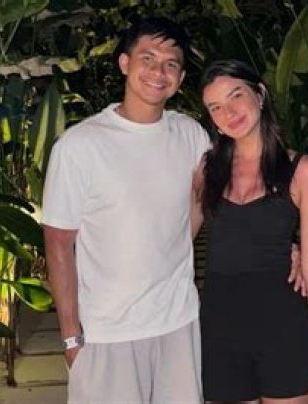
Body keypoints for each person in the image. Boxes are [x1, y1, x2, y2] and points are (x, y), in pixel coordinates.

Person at [42, 18, 210, 403]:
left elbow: (201, 205)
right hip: (107, 331)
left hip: (177, 323)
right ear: (124, 63)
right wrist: (70, 337)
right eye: (147, 58)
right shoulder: (79, 146)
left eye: (170, 64)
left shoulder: (191, 135)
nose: (158, 72)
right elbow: (58, 243)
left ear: (181, 78)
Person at [193, 59, 308, 404]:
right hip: (219, 329)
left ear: (260, 94)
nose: (229, 112)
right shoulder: (207, 170)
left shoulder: (304, 171)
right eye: (215, 107)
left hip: (284, 328)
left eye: (236, 96)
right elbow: (177, 237)